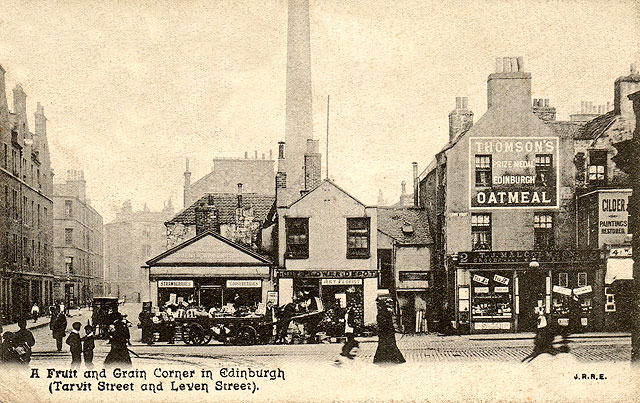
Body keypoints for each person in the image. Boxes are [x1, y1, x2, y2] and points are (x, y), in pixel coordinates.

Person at [373, 297, 405, 364]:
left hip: (387, 332)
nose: (377, 306)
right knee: (385, 345)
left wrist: (380, 328)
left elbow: (386, 323)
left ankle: (395, 359)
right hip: (384, 332)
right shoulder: (383, 312)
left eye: (378, 304)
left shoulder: (384, 312)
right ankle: (383, 359)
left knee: (389, 345)